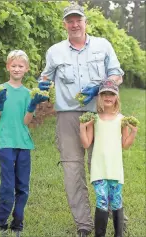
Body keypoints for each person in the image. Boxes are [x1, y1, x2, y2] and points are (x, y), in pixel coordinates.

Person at [38, 3, 124, 236]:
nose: (74, 24)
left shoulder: (102, 45)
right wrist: (42, 84)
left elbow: (117, 75)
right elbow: (45, 77)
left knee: (104, 166)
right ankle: (85, 225)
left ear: (86, 22)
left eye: (78, 19)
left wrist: (100, 86)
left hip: (100, 115)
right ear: (65, 24)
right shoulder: (55, 51)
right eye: (70, 20)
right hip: (68, 116)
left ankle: (115, 215)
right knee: (72, 169)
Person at [0, 50, 48, 236]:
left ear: (26, 69)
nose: (16, 68)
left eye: (20, 66)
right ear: (7, 67)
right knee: (7, 185)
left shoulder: (29, 93)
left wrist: (32, 106)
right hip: (5, 142)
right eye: (13, 65)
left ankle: (18, 222)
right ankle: (1, 221)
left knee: (22, 185)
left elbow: (26, 121)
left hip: (23, 143)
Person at [80, 79, 138, 237]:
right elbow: (86, 144)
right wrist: (82, 128)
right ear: (99, 97)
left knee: (116, 200)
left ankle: (118, 234)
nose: (107, 97)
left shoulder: (122, 120)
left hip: (114, 168)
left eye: (111, 94)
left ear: (116, 97)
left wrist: (133, 132)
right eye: (104, 93)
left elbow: (125, 145)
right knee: (102, 201)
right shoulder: (94, 118)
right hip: (99, 168)